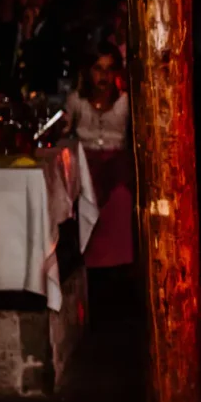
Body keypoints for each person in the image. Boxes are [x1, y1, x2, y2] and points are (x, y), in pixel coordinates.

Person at [64, 43, 133, 268]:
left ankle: (120, 262)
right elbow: (64, 131)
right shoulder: (77, 100)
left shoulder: (125, 101)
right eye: (98, 68)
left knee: (121, 195)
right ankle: (90, 261)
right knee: (85, 191)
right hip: (86, 161)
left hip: (116, 160)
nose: (104, 75)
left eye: (109, 69)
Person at [12, 0, 69, 95]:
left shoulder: (57, 37)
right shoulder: (5, 32)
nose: (31, 1)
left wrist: (28, 38)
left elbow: (43, 81)